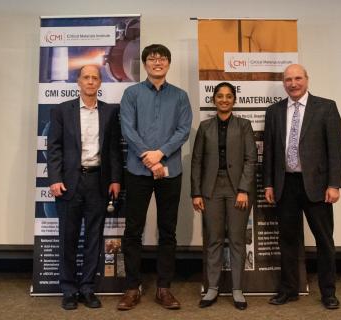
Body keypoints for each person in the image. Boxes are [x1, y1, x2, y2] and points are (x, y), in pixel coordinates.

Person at [263, 64, 341, 310]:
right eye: (288, 79)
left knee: (324, 240)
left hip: (318, 186)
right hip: (285, 185)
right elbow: (269, 151)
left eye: (298, 78)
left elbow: (336, 150)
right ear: (283, 83)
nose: (293, 83)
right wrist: (268, 183)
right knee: (287, 240)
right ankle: (288, 289)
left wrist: (334, 184)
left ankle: (328, 292)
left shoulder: (326, 107)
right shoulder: (274, 111)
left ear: (307, 79)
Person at [117, 44, 192, 311]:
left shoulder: (180, 96)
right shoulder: (132, 93)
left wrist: (160, 153)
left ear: (168, 64)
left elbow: (183, 130)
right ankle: (132, 288)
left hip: (170, 171)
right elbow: (127, 128)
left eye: (162, 59)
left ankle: (164, 288)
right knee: (133, 231)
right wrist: (148, 158)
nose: (157, 62)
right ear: (145, 64)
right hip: (137, 170)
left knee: (168, 231)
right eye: (152, 59)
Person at [47, 65, 122, 310]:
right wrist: (55, 178)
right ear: (78, 81)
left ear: (100, 83)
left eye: (95, 78)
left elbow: (113, 149)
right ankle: (68, 289)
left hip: (98, 181)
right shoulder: (61, 110)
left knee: (93, 238)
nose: (91, 81)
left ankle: (88, 288)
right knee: (68, 238)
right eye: (86, 77)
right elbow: (54, 148)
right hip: (69, 183)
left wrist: (115, 179)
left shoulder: (110, 112)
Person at [191, 82, 257, 310]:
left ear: (234, 100)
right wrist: (196, 192)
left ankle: (238, 290)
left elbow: (251, 159)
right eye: (220, 96)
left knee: (238, 240)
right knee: (214, 240)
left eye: (229, 96)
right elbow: (197, 161)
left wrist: (243, 189)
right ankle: (212, 289)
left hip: (237, 190)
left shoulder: (244, 125)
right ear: (214, 100)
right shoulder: (205, 127)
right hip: (210, 191)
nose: (224, 100)